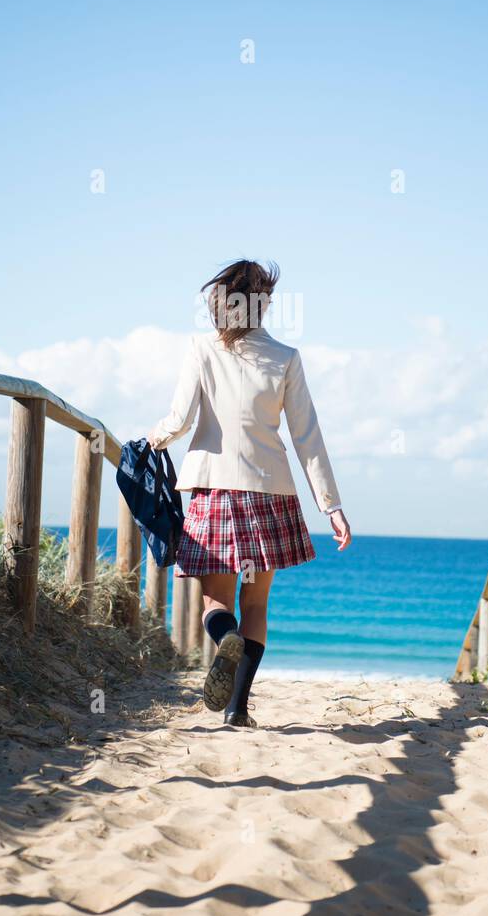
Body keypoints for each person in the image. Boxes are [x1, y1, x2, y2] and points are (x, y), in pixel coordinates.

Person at [148, 259, 351, 727]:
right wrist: (331, 505)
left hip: (214, 492)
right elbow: (307, 436)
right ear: (264, 305)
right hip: (269, 494)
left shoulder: (201, 349)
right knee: (256, 604)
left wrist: (151, 440)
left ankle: (224, 641)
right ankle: (237, 709)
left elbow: (178, 422)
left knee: (215, 604)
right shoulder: (286, 357)